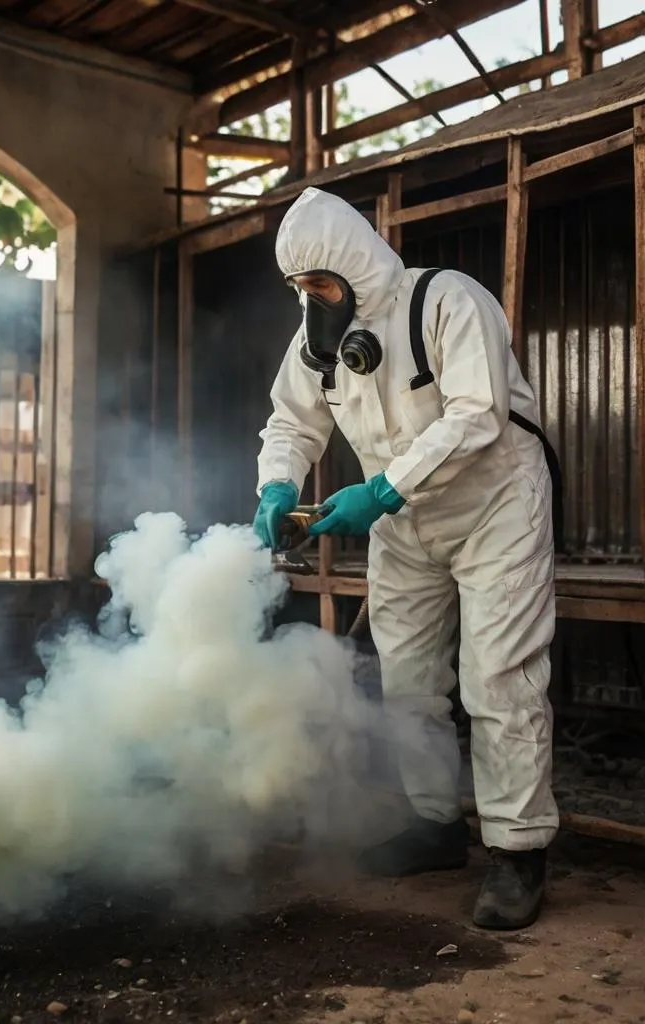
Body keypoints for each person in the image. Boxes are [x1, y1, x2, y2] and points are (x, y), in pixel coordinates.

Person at [251, 186, 559, 931]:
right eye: (300, 287)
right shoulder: (316, 343)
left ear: (355, 262)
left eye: (320, 282)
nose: (312, 298)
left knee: (500, 677)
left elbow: (478, 415)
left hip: (496, 506)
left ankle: (518, 851)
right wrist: (277, 485)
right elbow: (290, 422)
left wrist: (382, 490)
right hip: (400, 520)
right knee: (410, 678)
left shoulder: (447, 301)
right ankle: (434, 825)